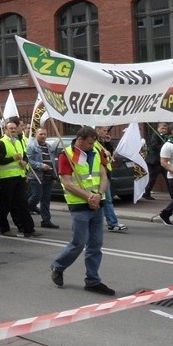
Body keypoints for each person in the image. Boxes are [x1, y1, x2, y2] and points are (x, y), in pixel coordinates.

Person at [50, 126, 115, 296]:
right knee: (78, 243)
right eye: (89, 142)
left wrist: (99, 195)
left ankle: (92, 280)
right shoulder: (66, 155)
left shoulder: (96, 151)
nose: (92, 145)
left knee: (96, 245)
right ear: (80, 140)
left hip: (96, 204)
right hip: (79, 206)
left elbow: (103, 175)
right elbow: (68, 183)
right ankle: (58, 265)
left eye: (94, 142)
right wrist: (89, 197)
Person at [0, 120, 40, 237]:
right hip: (7, 178)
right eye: (11, 128)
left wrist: (25, 162)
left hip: (19, 177)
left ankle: (28, 229)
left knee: (23, 203)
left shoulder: (19, 141)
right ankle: (4, 228)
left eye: (15, 128)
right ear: (5, 130)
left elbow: (24, 155)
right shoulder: (1, 142)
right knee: (6, 204)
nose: (13, 130)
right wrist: (13, 158)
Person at [95, 126, 127, 232]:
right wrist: (104, 154)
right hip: (98, 175)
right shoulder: (94, 143)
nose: (106, 132)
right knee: (107, 200)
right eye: (104, 130)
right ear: (97, 130)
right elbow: (97, 157)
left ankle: (106, 222)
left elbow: (110, 155)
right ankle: (112, 223)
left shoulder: (102, 142)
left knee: (105, 200)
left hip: (106, 174)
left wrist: (108, 143)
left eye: (106, 130)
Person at [26, 128, 59, 229]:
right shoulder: (31, 146)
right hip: (37, 176)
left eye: (44, 134)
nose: (43, 136)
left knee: (46, 200)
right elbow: (29, 161)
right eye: (41, 134)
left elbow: (52, 162)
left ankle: (46, 220)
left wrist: (54, 175)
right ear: (36, 135)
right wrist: (41, 165)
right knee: (36, 196)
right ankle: (23, 210)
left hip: (48, 176)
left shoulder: (49, 147)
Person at [142, 122, 168, 199]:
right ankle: (146, 193)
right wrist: (165, 147)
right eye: (162, 128)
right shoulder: (155, 135)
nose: (164, 130)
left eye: (166, 128)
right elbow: (154, 145)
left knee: (168, 177)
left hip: (162, 160)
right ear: (158, 128)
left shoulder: (166, 137)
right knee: (152, 178)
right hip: (154, 161)